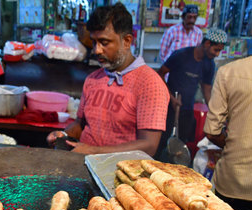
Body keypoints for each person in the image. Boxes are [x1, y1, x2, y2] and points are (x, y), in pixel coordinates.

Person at [46, 4, 169, 156]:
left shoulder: (150, 84)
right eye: (94, 42)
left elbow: (149, 145)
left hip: (119, 173)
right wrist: (64, 136)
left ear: (127, 41)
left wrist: (93, 151)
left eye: (104, 43)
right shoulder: (93, 78)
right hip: (83, 165)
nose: (97, 50)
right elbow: (81, 124)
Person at [156, 29, 227, 157]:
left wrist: (215, 113)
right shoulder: (181, 55)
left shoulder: (209, 65)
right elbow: (160, 74)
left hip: (187, 109)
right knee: (162, 142)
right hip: (168, 107)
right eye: (216, 50)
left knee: (180, 146)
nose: (217, 54)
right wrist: (171, 97)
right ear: (207, 44)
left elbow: (207, 91)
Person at [203, 57, 252, 210]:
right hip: (233, 185)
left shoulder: (228, 72)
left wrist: (235, 144)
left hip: (233, 182)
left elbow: (212, 132)